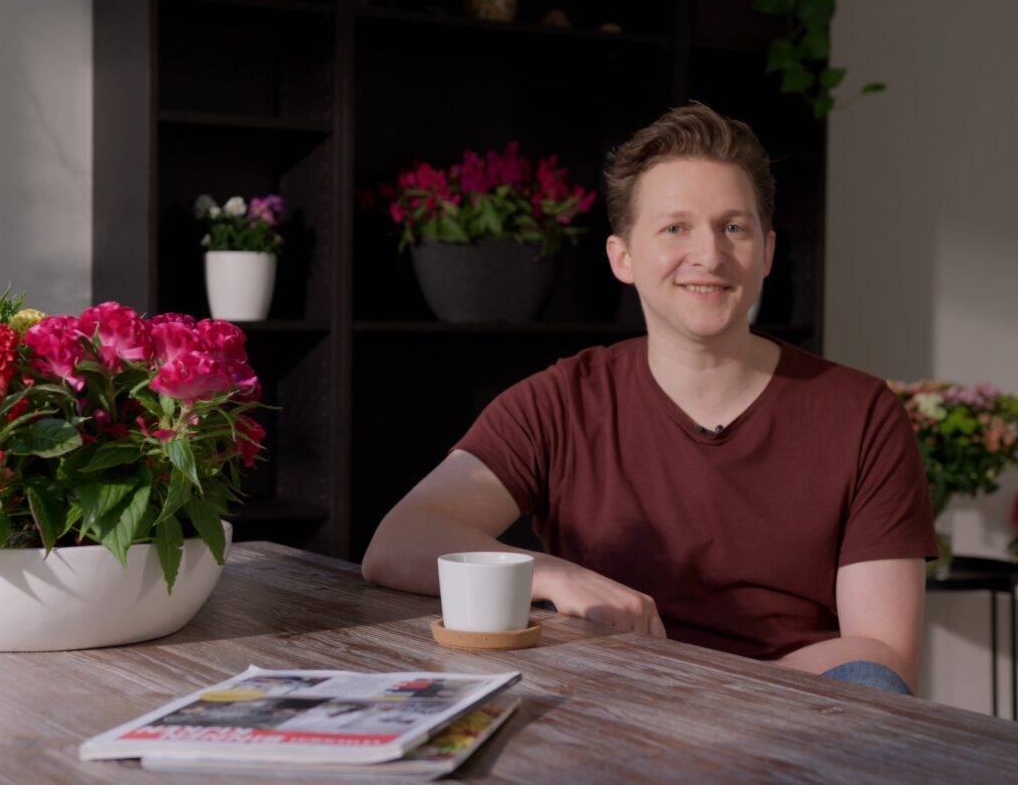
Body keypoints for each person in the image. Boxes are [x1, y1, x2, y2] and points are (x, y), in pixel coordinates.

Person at [360, 103, 937, 695]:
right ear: (623, 258)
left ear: (766, 251)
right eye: (675, 228)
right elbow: (399, 540)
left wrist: (693, 696)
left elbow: (881, 655)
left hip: (791, 716)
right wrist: (558, 577)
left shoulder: (861, 413)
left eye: (732, 227)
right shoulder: (560, 401)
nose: (709, 256)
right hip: (612, 708)